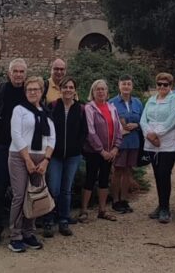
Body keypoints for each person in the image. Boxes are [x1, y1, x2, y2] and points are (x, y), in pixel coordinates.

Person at [7, 76, 56, 253]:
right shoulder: (19, 110)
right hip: (20, 157)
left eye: (36, 89)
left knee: (34, 195)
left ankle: (28, 232)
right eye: (29, 90)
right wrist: (27, 160)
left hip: (41, 158)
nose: (32, 92)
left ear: (41, 91)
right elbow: (16, 135)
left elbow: (52, 138)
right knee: (20, 195)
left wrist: (46, 160)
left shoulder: (46, 112)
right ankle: (15, 235)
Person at [0, 58, 28, 245]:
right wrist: (2, 136)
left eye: (21, 72)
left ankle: (23, 228)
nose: (18, 75)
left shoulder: (30, 92)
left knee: (23, 190)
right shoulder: (0, 91)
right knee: (0, 188)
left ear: (25, 74)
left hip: (25, 148)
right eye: (15, 71)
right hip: (4, 146)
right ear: (9, 73)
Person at [44, 77, 87, 237]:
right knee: (53, 188)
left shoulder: (81, 109)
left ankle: (63, 219)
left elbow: (84, 131)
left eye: (71, 87)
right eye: (65, 87)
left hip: (73, 155)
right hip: (55, 155)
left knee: (66, 190)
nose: (68, 90)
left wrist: (78, 147)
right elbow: (46, 129)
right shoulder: (53, 107)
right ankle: (48, 219)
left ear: (75, 90)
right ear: (60, 89)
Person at [79, 79, 123, 222]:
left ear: (107, 92)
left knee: (104, 179)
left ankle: (102, 210)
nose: (100, 91)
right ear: (93, 92)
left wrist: (116, 148)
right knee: (90, 179)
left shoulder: (112, 108)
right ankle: (84, 211)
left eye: (103, 89)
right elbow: (90, 132)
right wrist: (101, 151)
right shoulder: (89, 108)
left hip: (110, 151)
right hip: (94, 152)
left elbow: (118, 129)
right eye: (97, 89)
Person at [141, 72, 175, 224]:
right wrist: (149, 135)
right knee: (158, 175)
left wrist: (157, 134)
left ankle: (165, 208)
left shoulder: (174, 100)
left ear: (170, 86)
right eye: (159, 84)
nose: (162, 87)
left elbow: (173, 119)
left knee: (164, 173)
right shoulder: (151, 100)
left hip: (168, 144)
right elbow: (143, 119)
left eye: (166, 84)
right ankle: (161, 205)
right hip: (152, 144)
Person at [109, 75, 144, 214]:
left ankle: (124, 200)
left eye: (128, 84)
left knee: (128, 171)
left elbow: (144, 119)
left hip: (134, 142)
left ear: (132, 86)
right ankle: (115, 200)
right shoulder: (112, 103)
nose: (126, 87)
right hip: (120, 143)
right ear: (119, 86)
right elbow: (109, 123)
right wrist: (121, 127)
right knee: (117, 171)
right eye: (124, 84)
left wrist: (137, 124)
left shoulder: (137, 103)